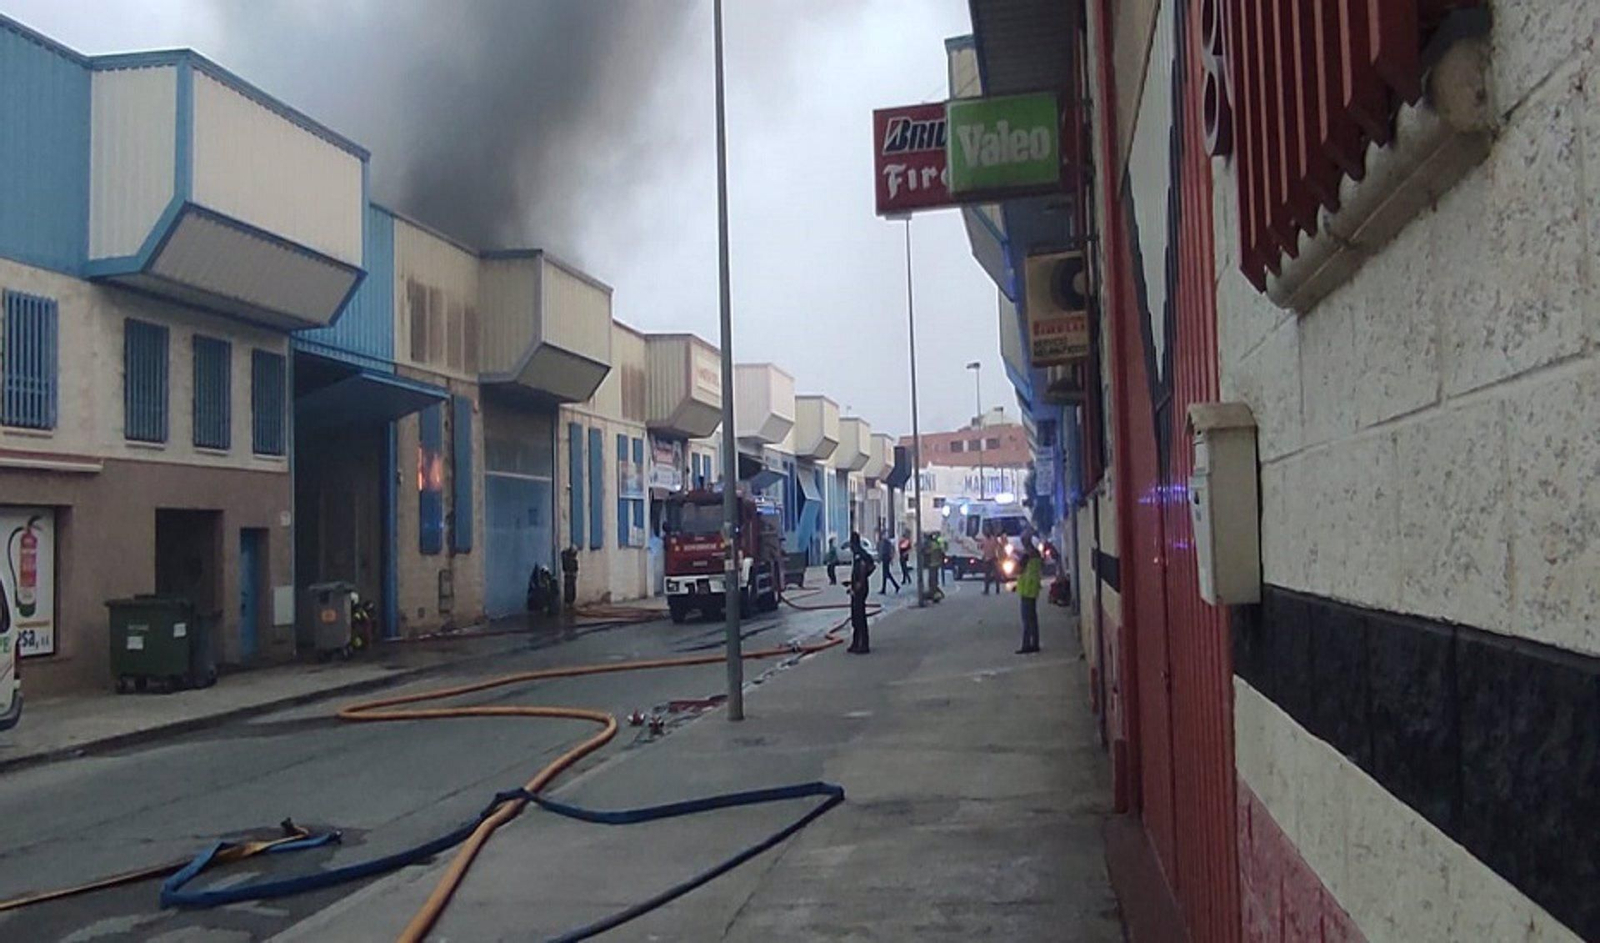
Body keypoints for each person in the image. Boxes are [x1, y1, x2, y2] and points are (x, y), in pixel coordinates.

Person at [847, 532, 874, 653]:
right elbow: (871, 566)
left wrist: (859, 583)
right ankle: (856, 642)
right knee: (856, 615)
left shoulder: (859, 554)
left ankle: (863, 644)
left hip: (860, 589)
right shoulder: (861, 553)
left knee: (859, 616)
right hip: (858, 587)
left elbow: (863, 567)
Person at [1016, 538, 1043, 654]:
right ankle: (1035, 644)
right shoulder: (1037, 555)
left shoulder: (1026, 557)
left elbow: (1018, 569)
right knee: (1033, 620)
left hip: (1026, 590)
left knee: (1026, 620)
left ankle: (1026, 645)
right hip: (1034, 589)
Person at [981, 525, 1001, 595]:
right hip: (987, 559)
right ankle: (987, 590)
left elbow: (998, 546)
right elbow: (982, 548)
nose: (987, 533)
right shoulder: (984, 540)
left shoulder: (993, 539)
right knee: (987, 575)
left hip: (993, 558)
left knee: (996, 575)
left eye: (988, 531)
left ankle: (997, 589)